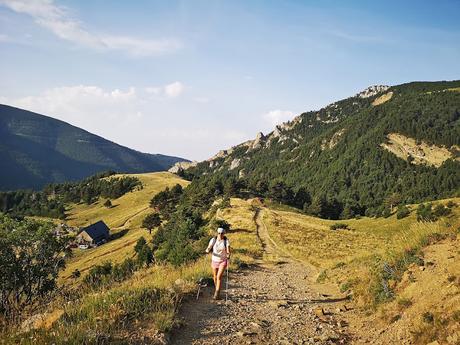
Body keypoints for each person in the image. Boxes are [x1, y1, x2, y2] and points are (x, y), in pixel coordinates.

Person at [205, 227, 231, 300]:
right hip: (214, 260)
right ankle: (217, 290)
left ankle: (216, 294)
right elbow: (209, 247)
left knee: (219, 277)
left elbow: (228, 250)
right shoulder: (213, 240)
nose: (220, 235)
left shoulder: (226, 241)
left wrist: (228, 254)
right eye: (219, 233)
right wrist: (207, 250)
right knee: (215, 277)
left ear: (224, 234)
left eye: (222, 233)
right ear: (217, 233)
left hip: (223, 260)